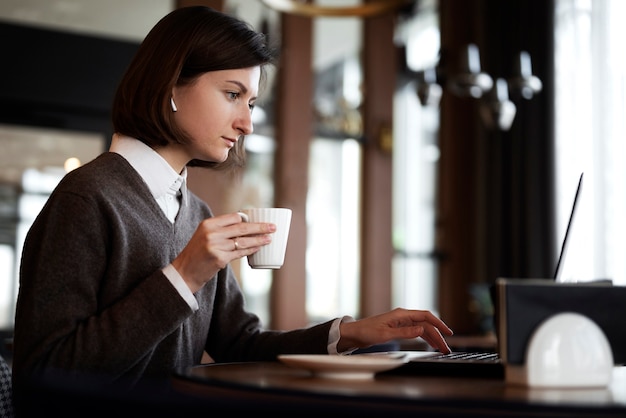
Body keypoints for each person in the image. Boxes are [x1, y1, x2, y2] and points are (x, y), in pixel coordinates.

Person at [11, 5, 452, 394]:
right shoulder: (86, 198)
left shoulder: (194, 211)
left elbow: (241, 344)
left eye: (253, 103)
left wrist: (350, 333)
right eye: (232, 94)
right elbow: (44, 373)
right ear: (170, 84)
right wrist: (184, 276)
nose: (247, 124)